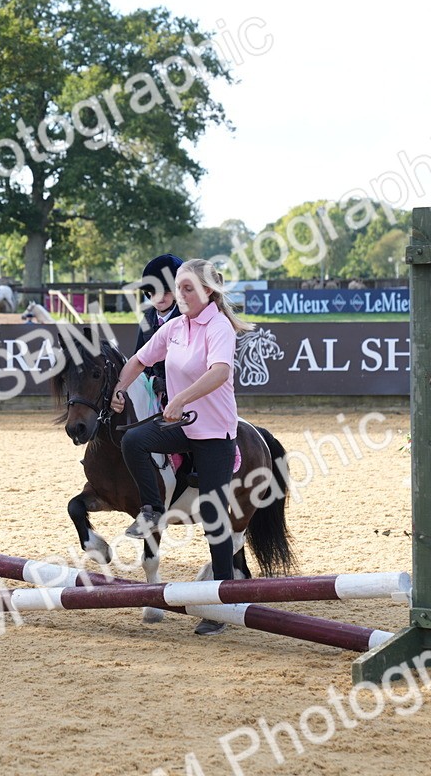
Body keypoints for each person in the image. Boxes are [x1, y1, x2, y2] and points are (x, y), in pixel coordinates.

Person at [110, 258, 254, 635]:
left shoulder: (219, 326)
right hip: (183, 427)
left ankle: (223, 602)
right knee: (134, 440)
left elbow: (220, 371)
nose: (182, 294)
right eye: (180, 287)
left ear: (209, 292)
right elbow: (139, 360)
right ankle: (153, 510)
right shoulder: (174, 327)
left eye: (190, 288)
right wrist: (120, 389)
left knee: (213, 515)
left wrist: (180, 400)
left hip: (215, 433)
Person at [133, 253, 182, 406]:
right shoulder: (147, 320)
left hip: (184, 395)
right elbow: (139, 358)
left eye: (165, 292)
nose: (158, 298)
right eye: (153, 292)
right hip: (152, 396)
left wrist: (168, 384)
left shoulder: (187, 319)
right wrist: (148, 381)